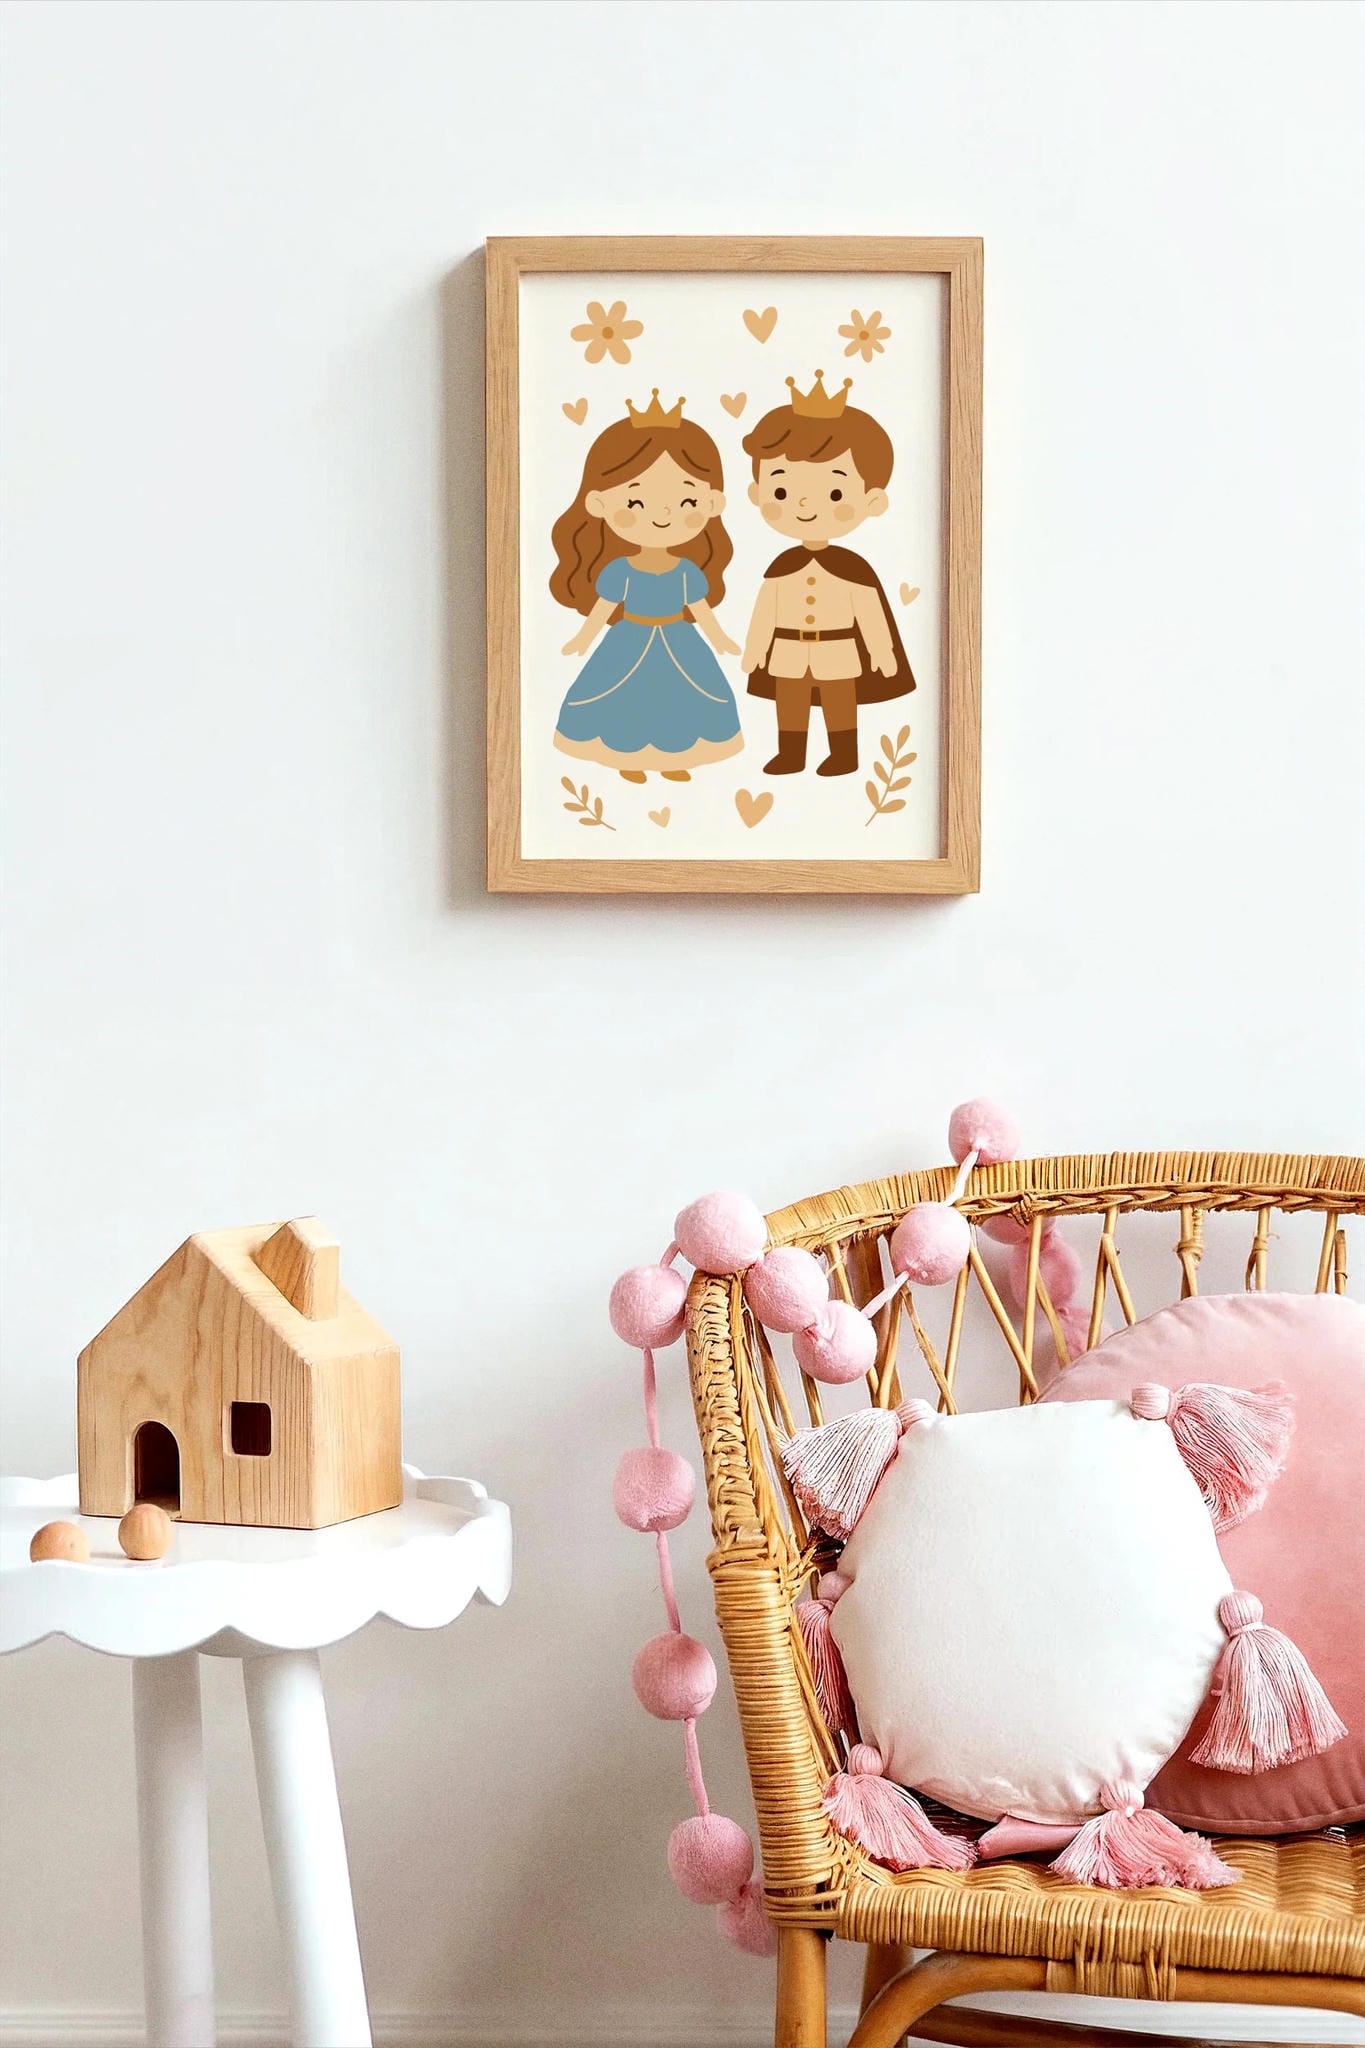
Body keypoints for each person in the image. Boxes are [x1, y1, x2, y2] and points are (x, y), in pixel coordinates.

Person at [551, 394, 743, 783]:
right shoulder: (621, 569)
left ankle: (673, 758)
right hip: (630, 638)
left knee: (681, 696)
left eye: (686, 499)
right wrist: (582, 638)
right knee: (622, 694)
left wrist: (720, 637)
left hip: (679, 638)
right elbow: (604, 607)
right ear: (599, 503)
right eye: (636, 501)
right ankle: (627, 758)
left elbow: (701, 608)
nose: (664, 514)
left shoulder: (686, 571)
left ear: (711, 503)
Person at [740, 371, 913, 776]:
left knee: (840, 704)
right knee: (790, 705)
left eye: (835, 493)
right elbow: (765, 612)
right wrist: (755, 650)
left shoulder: (854, 571)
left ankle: (843, 755)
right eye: (781, 491)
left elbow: (869, 612)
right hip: (787, 653)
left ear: (872, 501)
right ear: (757, 493)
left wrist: (882, 651)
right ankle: (790, 755)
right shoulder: (780, 569)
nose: (803, 504)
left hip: (838, 653)